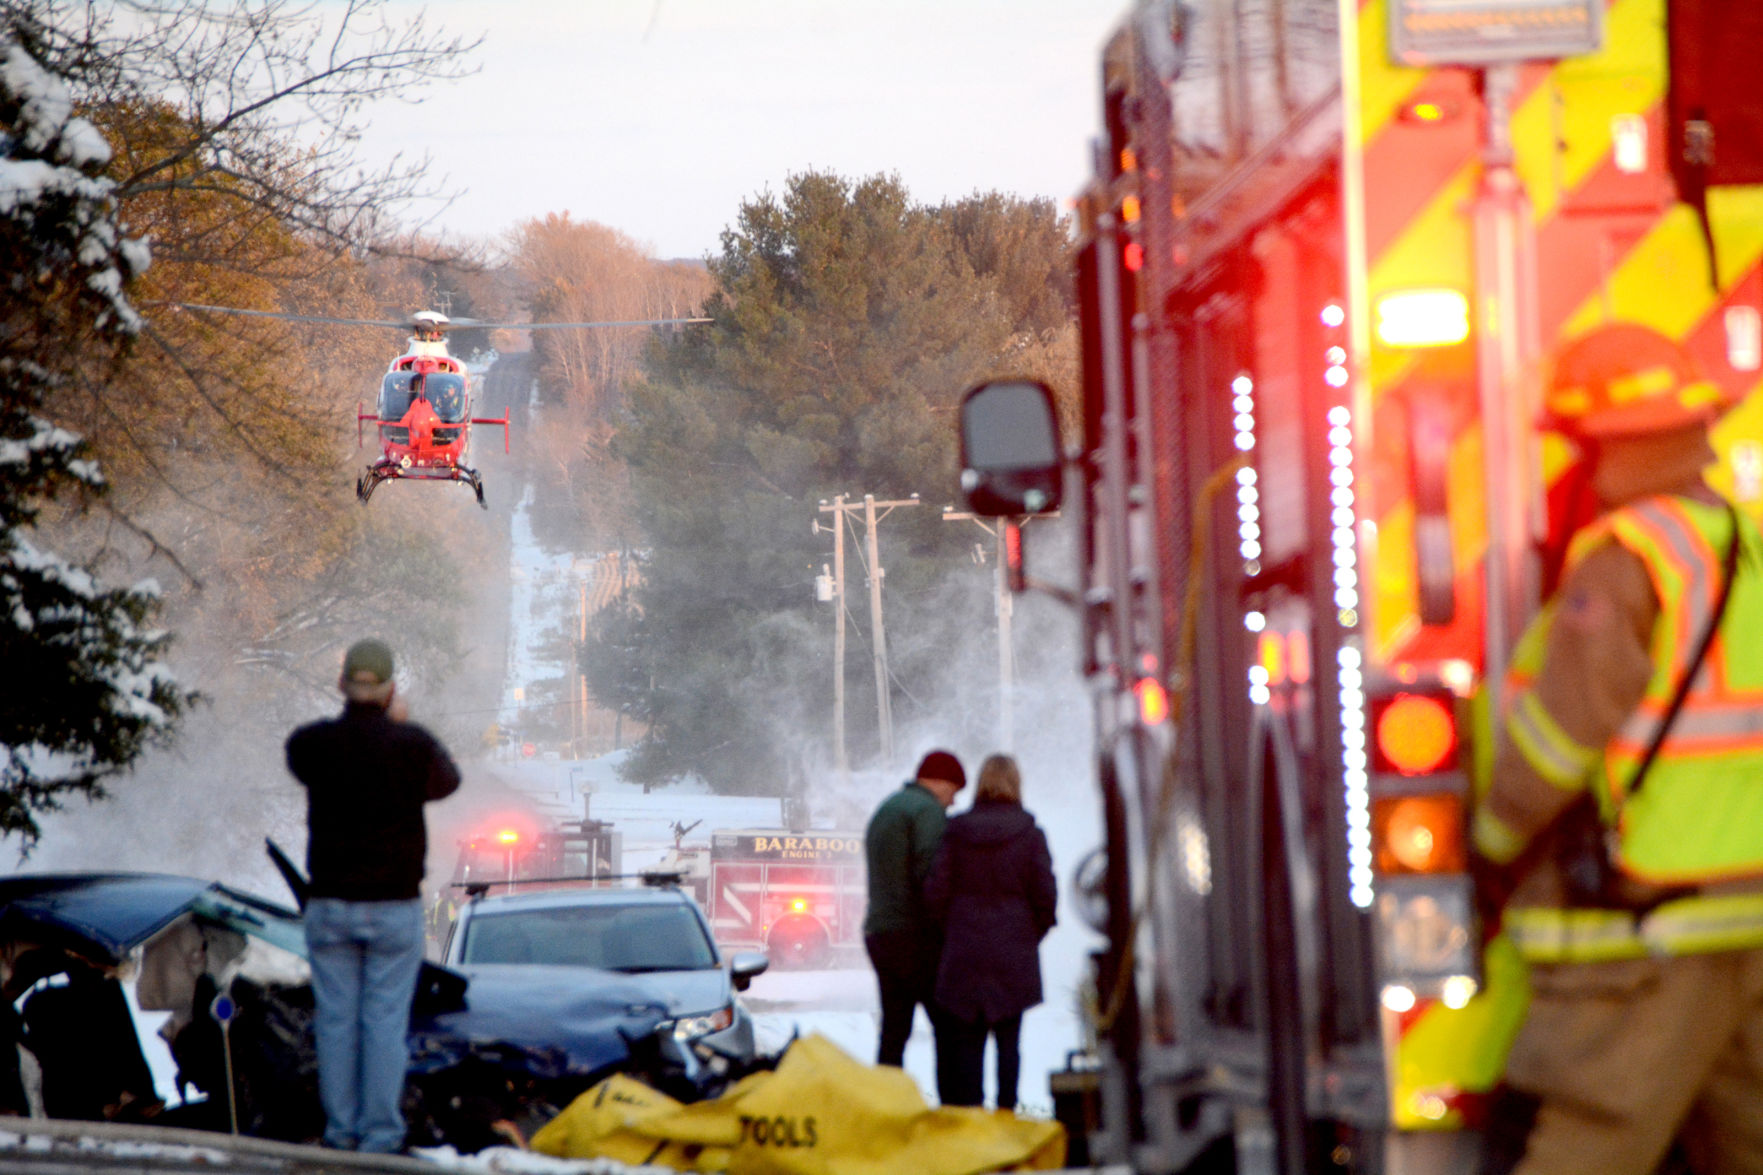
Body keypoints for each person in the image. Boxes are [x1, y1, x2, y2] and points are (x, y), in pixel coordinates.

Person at [1469, 322, 1763, 1175]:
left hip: (1648, 918)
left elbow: (1565, 728)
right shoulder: (1740, 544)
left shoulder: (1625, 557)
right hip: (1745, 913)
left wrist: (1493, 842)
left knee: (1589, 1138)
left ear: (1600, 444)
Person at [286, 638, 461, 1153]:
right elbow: (446, 781)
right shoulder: (412, 746)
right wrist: (399, 725)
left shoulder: (312, 744)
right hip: (392, 907)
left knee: (337, 1020)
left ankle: (341, 1132)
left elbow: (302, 765)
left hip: (331, 905)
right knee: (383, 1022)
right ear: (390, 689)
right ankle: (380, 1136)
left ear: (342, 684)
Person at [924, 753, 1057, 1110]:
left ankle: (972, 1121)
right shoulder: (1030, 834)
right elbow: (1046, 897)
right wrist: (1028, 936)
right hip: (1013, 949)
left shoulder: (955, 831)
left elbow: (936, 892)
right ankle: (1006, 1115)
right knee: (1009, 1042)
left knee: (968, 1041)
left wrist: (951, 933)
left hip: (964, 949)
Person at [863, 749, 966, 1080]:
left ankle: (886, 1109)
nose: (952, 803)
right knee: (949, 1026)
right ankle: (951, 1114)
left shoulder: (887, 808)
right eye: (953, 792)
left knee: (894, 1030)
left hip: (879, 933)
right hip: (913, 936)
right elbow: (931, 878)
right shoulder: (927, 813)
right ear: (940, 783)